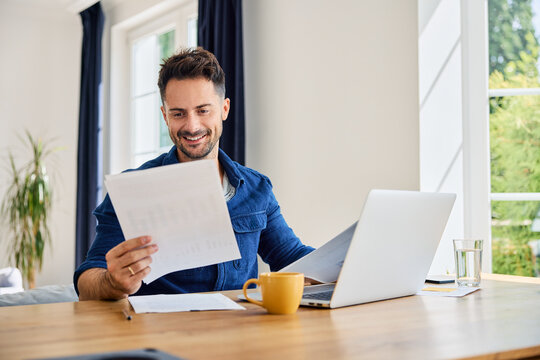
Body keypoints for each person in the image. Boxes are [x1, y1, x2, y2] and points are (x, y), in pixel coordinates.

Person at [75, 48, 314, 300]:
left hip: (242, 333)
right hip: (164, 334)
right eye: (178, 113)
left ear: (224, 109)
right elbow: (87, 283)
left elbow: (291, 258)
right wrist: (112, 282)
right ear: (165, 116)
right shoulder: (132, 191)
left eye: (203, 110)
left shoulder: (256, 188)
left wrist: (343, 263)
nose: (191, 126)